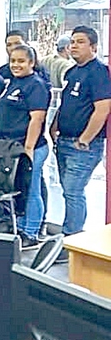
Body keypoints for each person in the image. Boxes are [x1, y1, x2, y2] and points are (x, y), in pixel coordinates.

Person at [51, 26, 111, 254]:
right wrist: (54, 126)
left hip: (83, 146)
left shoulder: (98, 72)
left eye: (80, 42)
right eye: (72, 42)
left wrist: (85, 139)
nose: (74, 46)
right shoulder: (72, 72)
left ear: (93, 46)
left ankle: (71, 242)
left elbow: (102, 109)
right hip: (63, 141)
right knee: (68, 191)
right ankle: (69, 237)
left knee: (73, 191)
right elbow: (66, 104)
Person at [0, 44, 50, 250]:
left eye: (21, 61)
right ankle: (20, 227)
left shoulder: (36, 85)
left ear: (32, 63)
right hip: (11, 147)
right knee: (20, 189)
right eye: (13, 61)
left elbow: (37, 119)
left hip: (31, 148)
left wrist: (28, 148)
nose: (16, 65)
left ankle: (31, 233)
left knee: (32, 190)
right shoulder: (12, 82)